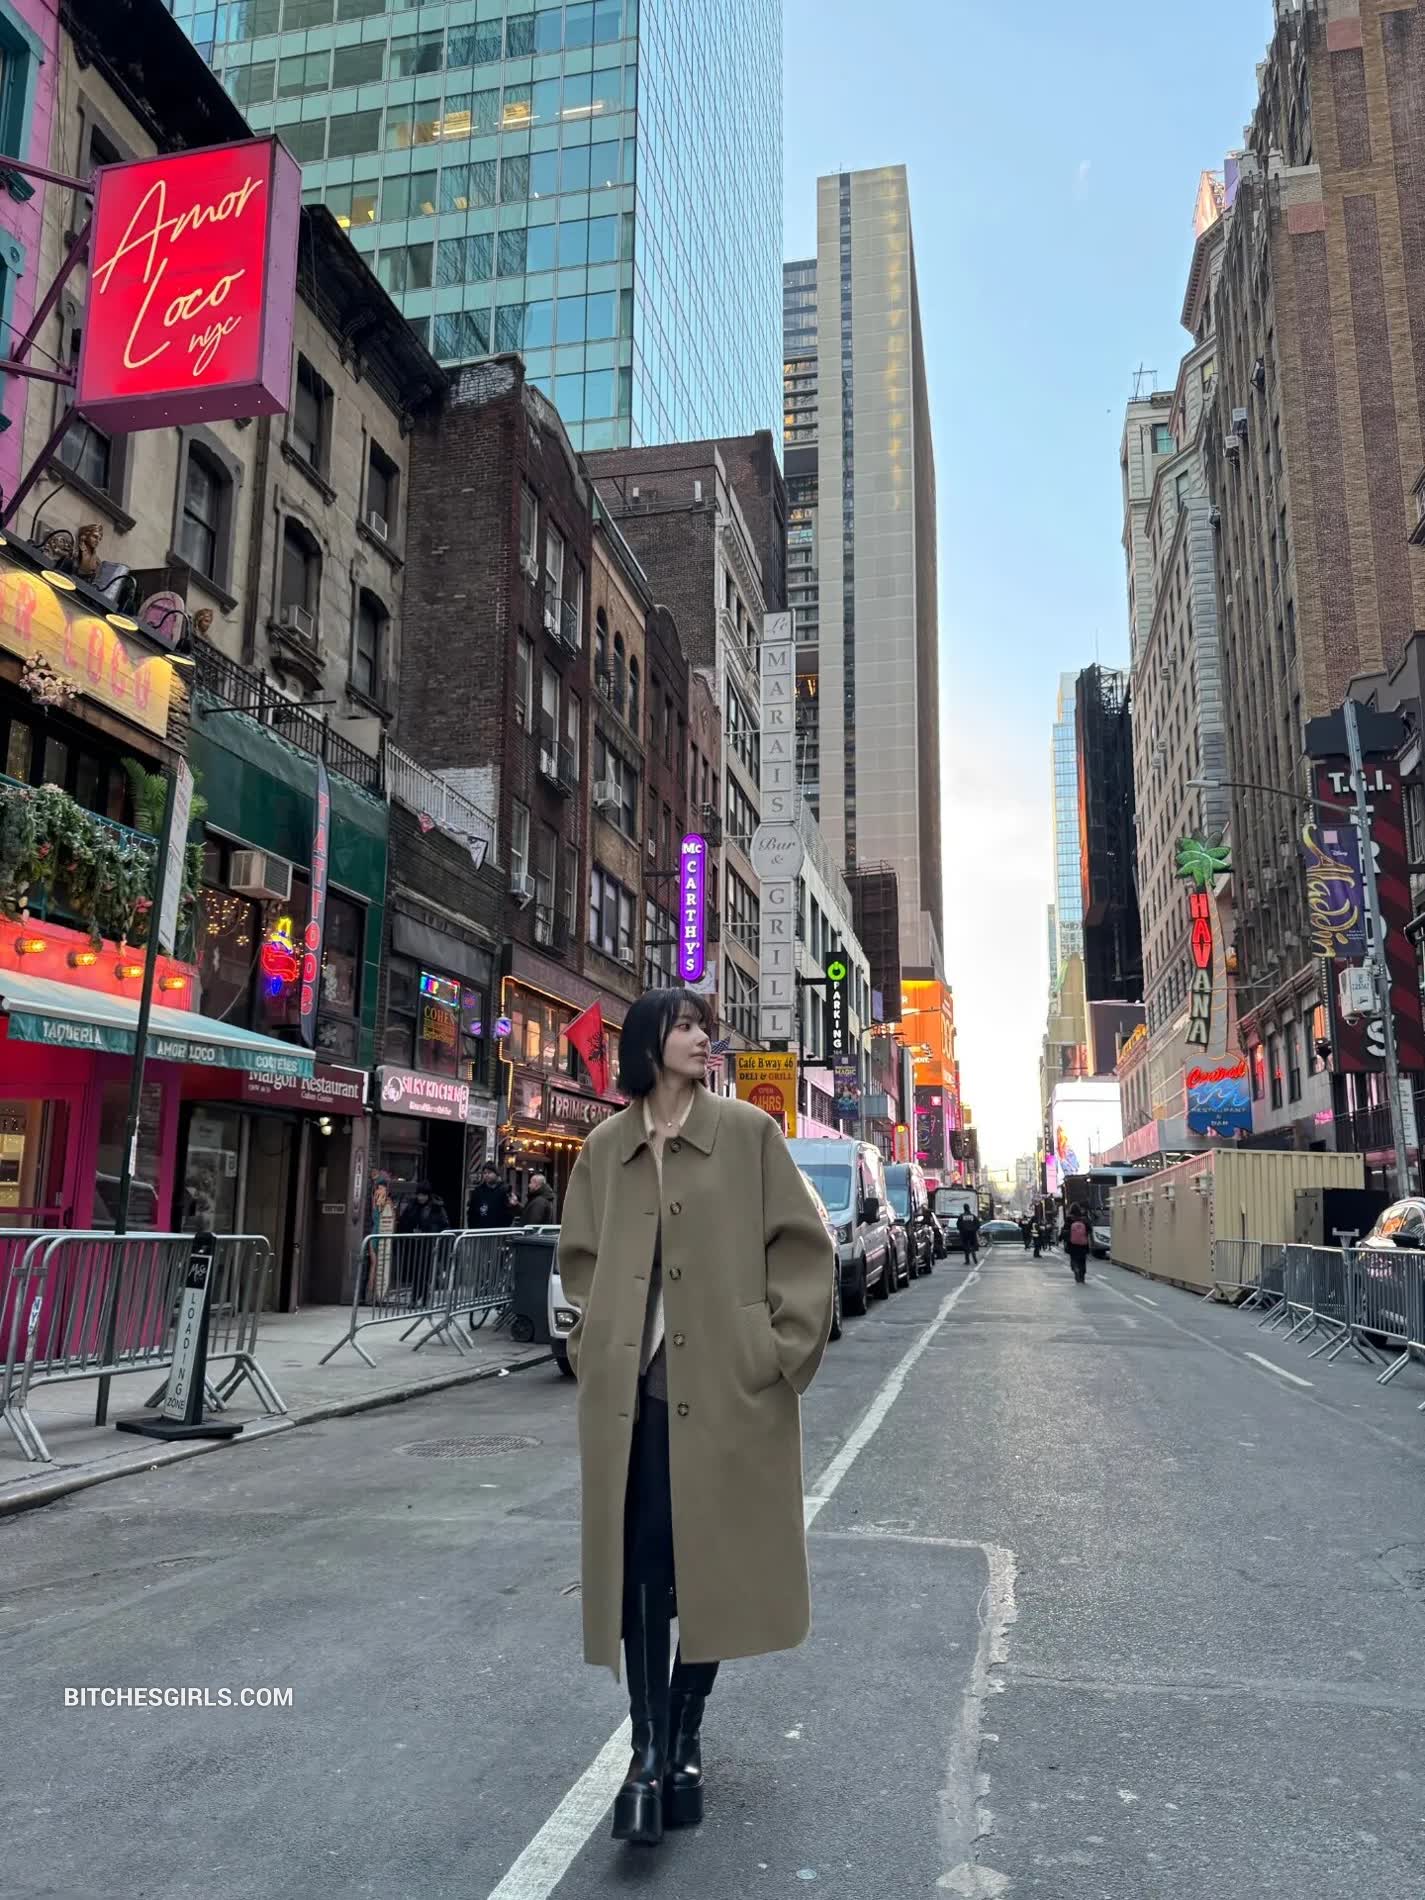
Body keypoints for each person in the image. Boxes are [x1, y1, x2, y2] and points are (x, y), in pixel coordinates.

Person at [559, 988, 835, 1848]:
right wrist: (591, 1342)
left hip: (727, 1389)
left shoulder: (748, 1133)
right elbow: (578, 1261)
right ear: (648, 1041)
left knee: (714, 1565)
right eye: (684, 1027)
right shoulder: (605, 1147)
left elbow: (802, 1247)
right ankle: (647, 1753)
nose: (701, 1039)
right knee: (642, 1570)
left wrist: (775, 1352)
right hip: (634, 1398)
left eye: (705, 1029)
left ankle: (684, 1735)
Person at [467, 1163, 515, 1229]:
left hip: (499, 1229)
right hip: (480, 1229)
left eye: (489, 1172)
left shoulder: (504, 1190)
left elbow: (510, 1212)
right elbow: (471, 1212)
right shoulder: (478, 1191)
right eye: (484, 1173)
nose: (486, 1175)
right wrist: (472, 1228)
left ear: (496, 1174)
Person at [1063, 1202, 1092, 1283]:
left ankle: (1075, 1269)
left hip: (1072, 1244)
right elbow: (1090, 1230)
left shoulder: (1069, 1219)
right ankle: (1082, 1276)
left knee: (1074, 1258)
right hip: (1083, 1244)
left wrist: (1065, 1238)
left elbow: (1065, 1230)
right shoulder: (1084, 1219)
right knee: (1082, 1260)